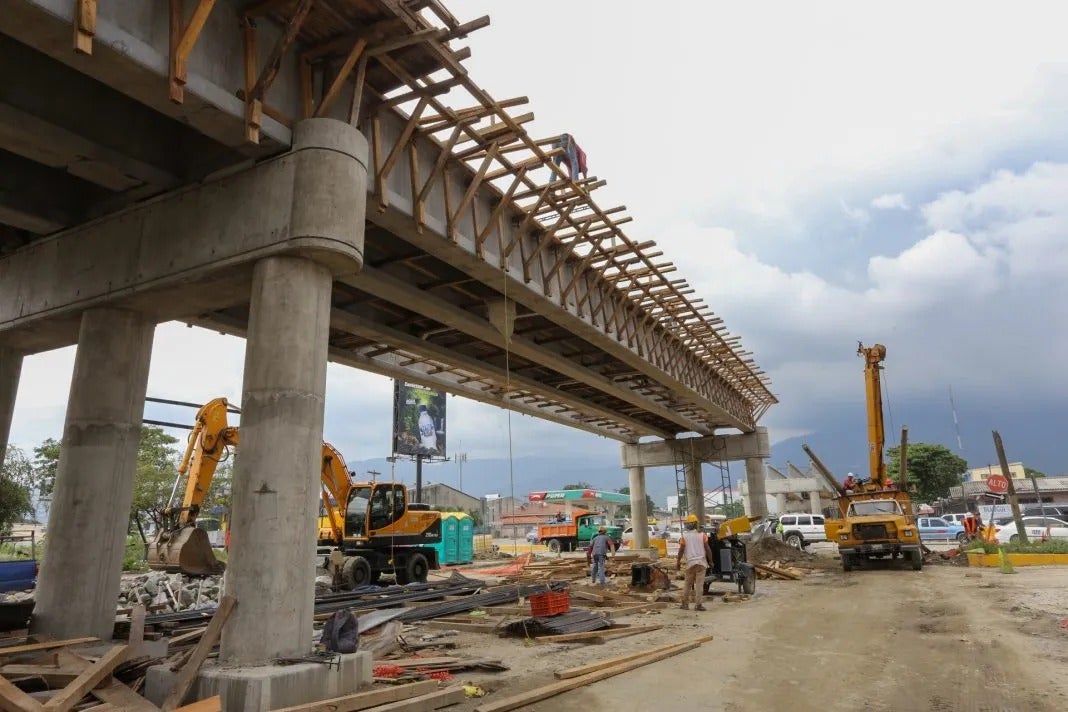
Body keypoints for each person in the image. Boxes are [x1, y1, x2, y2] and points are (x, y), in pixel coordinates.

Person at [676, 515, 714, 611]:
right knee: (699, 585)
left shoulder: (684, 537)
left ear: (688, 525)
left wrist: (678, 561)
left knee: (687, 584)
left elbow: (681, 550)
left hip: (690, 564)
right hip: (701, 563)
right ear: (696, 524)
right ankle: (698, 605)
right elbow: (708, 549)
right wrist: (711, 561)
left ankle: (685, 604)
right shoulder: (702, 535)